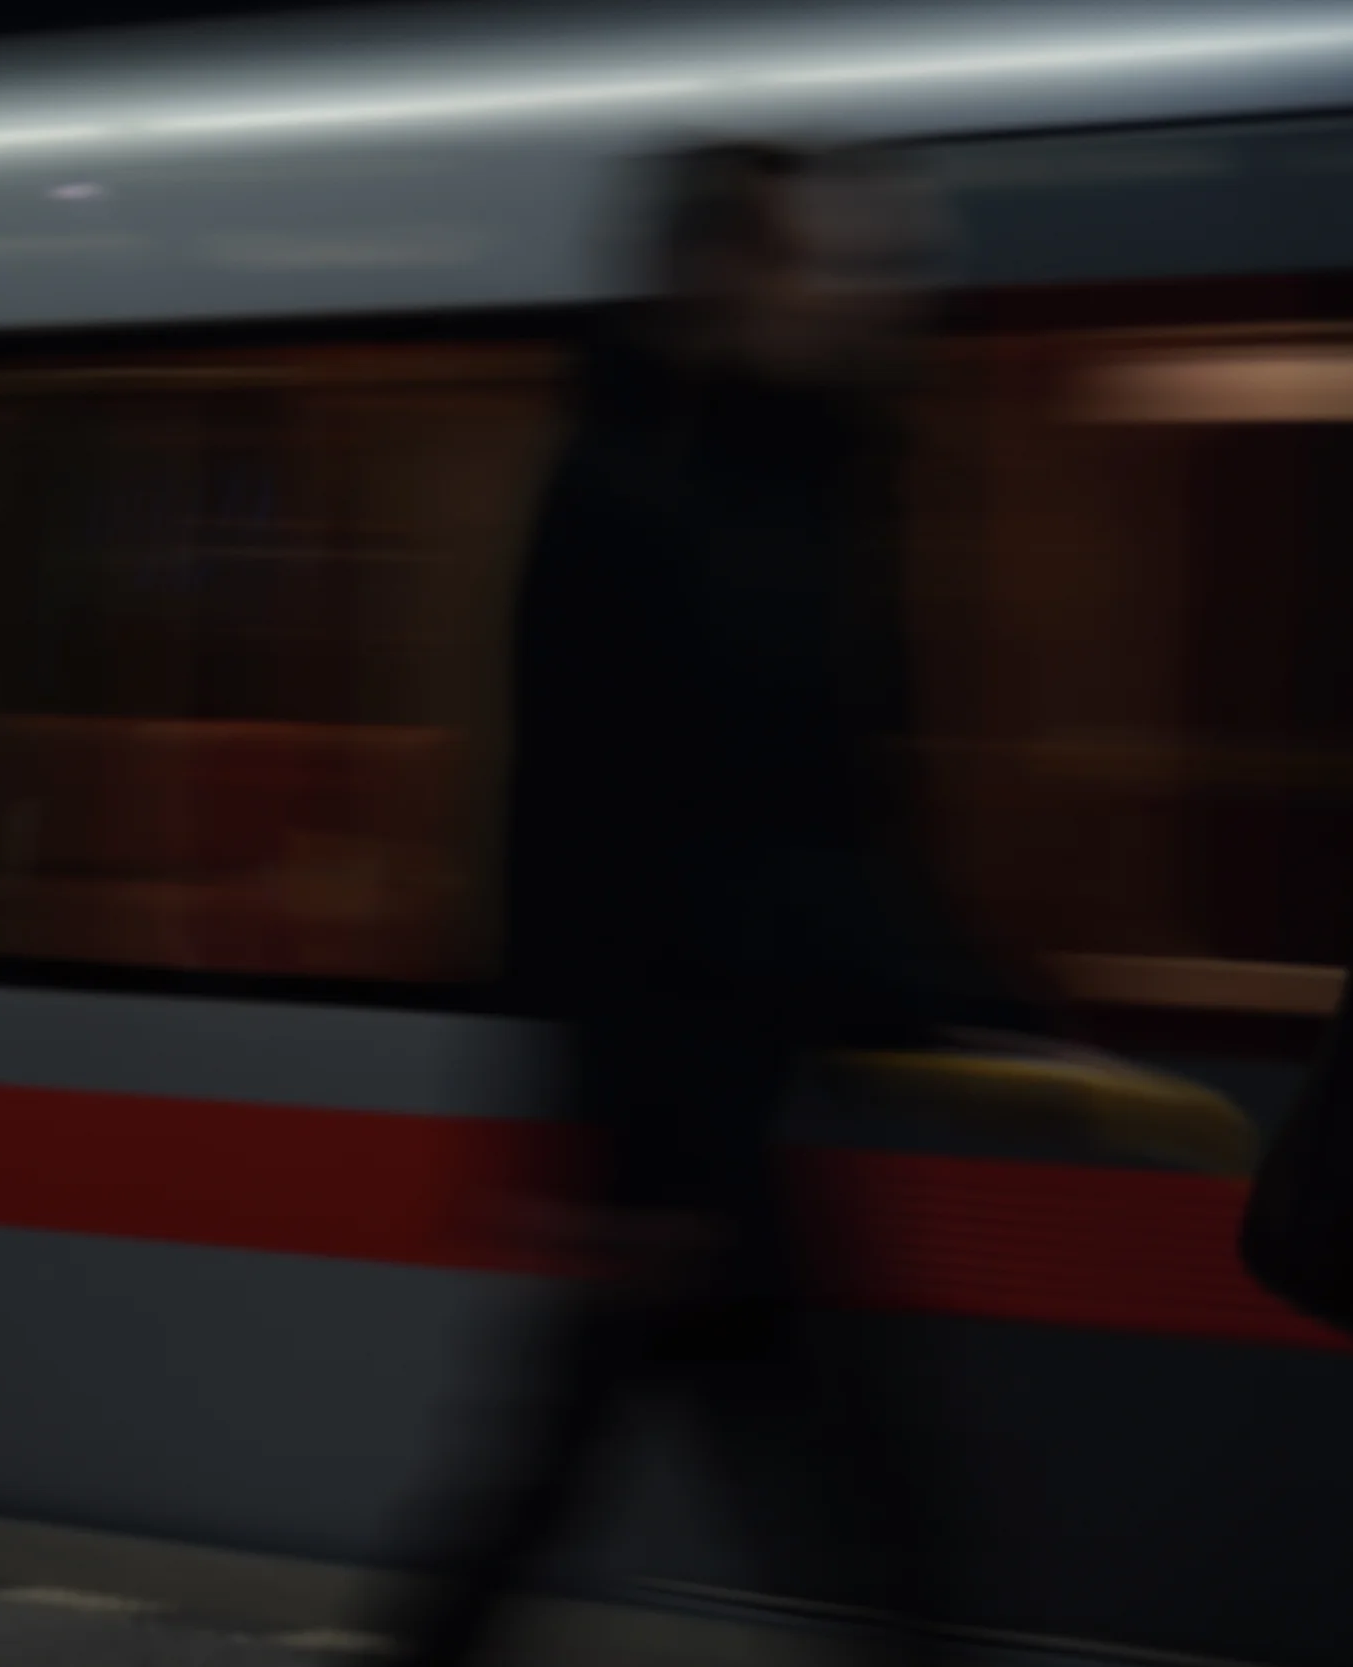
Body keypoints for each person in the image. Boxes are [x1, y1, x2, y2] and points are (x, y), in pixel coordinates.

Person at [379, 141, 1024, 1667]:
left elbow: (834, 819)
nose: (863, 293)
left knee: (597, 1490)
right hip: (686, 1120)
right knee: (837, 1507)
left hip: (743, 1095)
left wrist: (963, 996)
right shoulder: (621, 493)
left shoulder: (803, 485)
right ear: (725, 275)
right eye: (821, 262)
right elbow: (580, 837)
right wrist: (633, 1152)